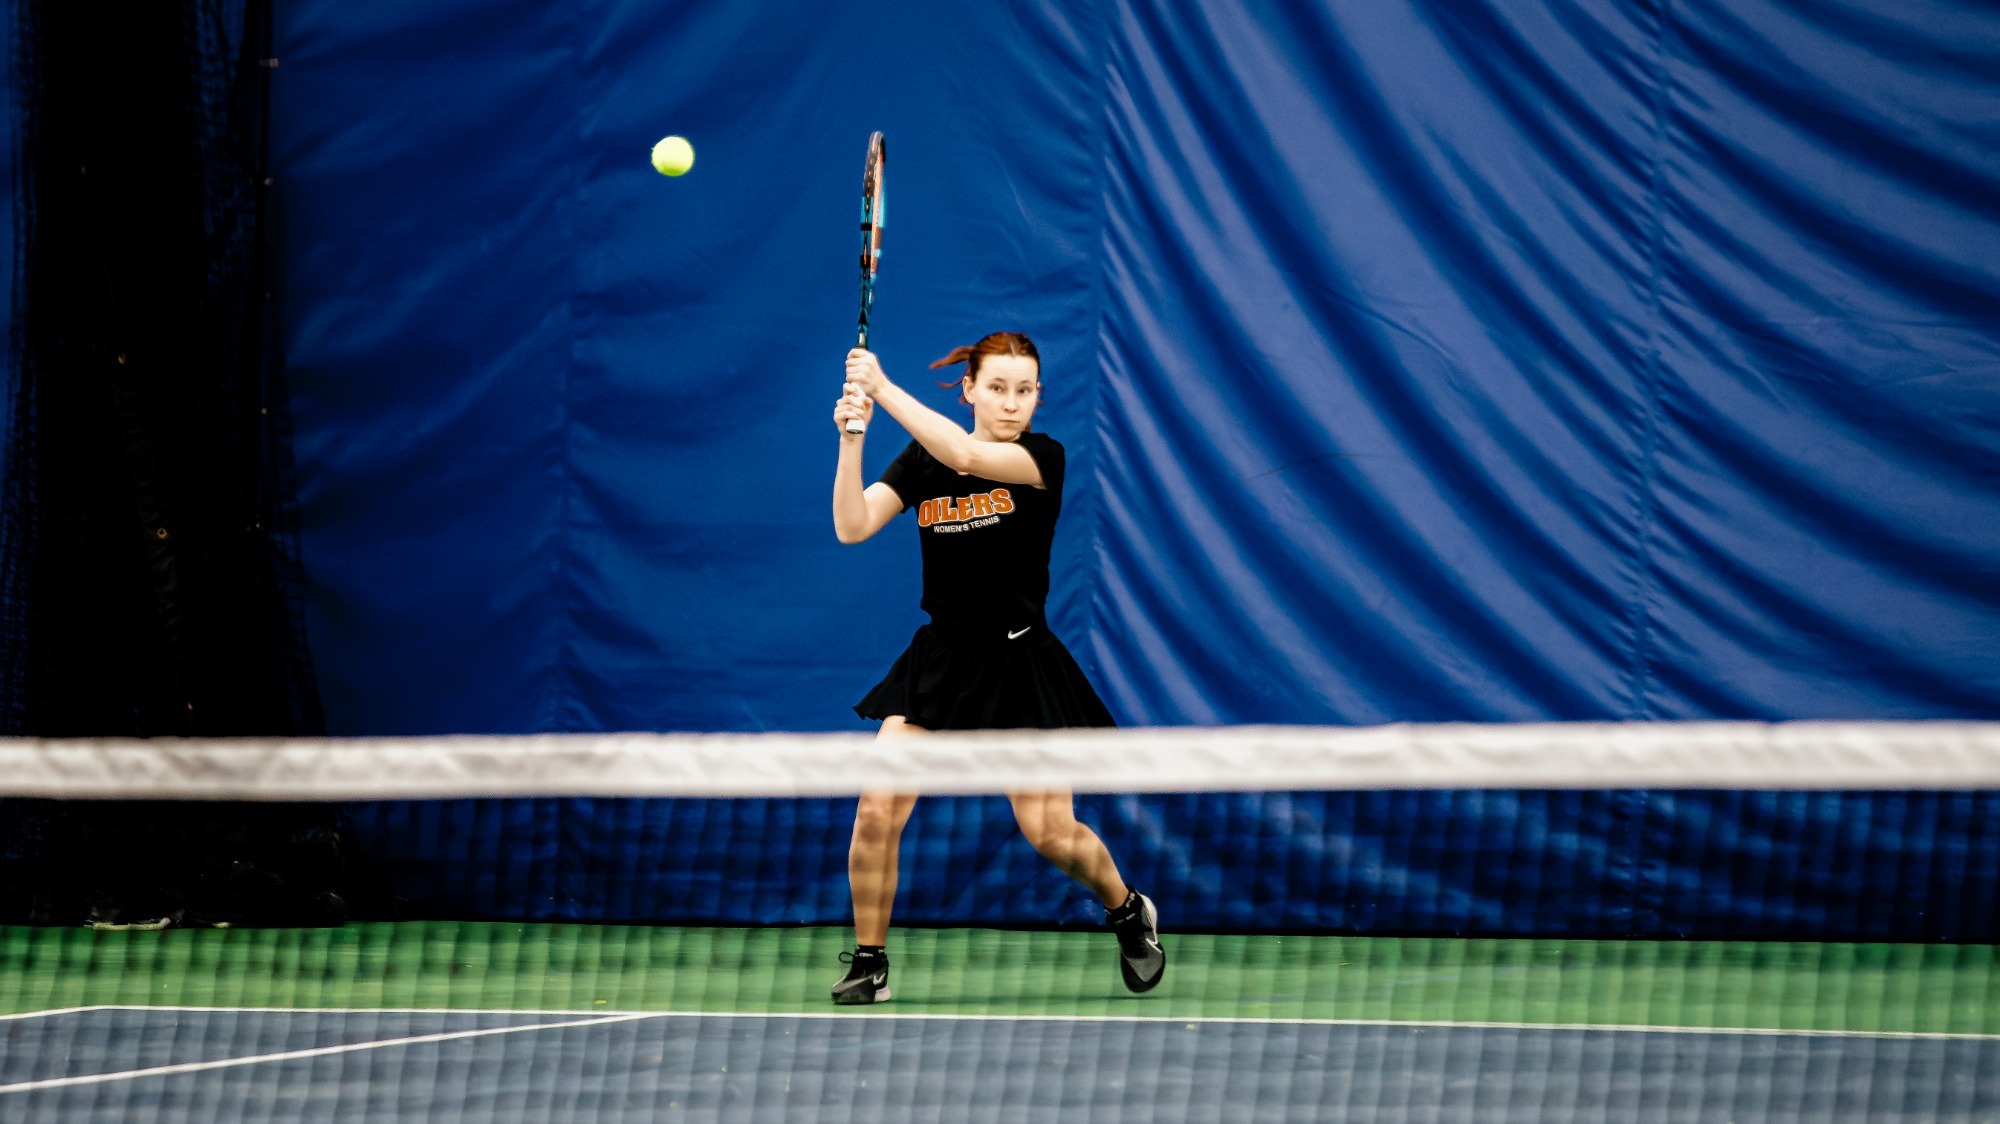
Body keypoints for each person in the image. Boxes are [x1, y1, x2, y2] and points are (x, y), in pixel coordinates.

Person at [827, 331, 1163, 1006]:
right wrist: (852, 437)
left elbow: (964, 452)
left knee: (1050, 833)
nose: (1012, 404)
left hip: (1020, 663)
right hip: (943, 661)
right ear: (971, 389)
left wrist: (883, 386)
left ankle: (1128, 910)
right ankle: (870, 960)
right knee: (875, 812)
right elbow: (853, 524)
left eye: (1025, 390)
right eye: (999, 388)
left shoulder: (1041, 459)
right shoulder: (924, 459)